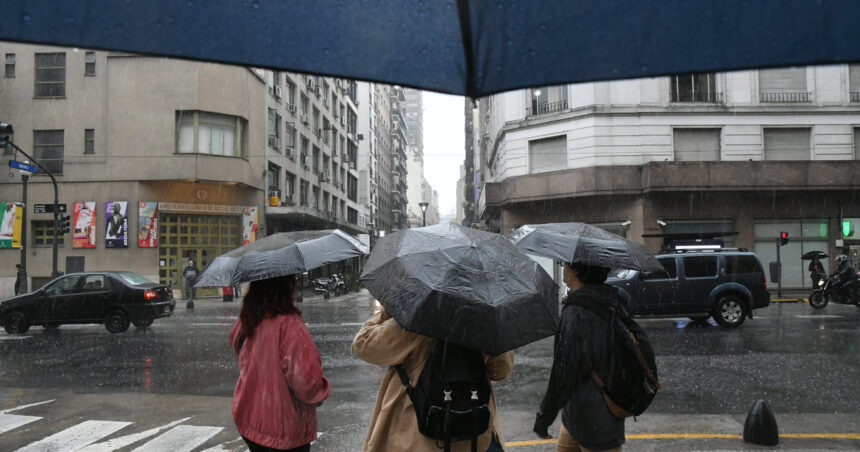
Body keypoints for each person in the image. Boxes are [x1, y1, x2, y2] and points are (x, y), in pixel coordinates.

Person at [352, 305, 513, 452]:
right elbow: (501, 370)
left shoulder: (419, 317)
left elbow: (364, 344)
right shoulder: (484, 317)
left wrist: (389, 310)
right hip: (473, 432)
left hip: (416, 436)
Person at [230, 274, 330, 452]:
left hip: (250, 419)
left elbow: (238, 345)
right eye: (293, 281)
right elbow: (306, 381)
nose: (297, 285)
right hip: (283, 428)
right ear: (284, 288)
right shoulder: (289, 324)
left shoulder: (249, 317)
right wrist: (322, 389)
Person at [534, 262, 625, 452]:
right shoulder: (612, 302)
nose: (564, 268)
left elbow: (563, 374)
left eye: (565, 264)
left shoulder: (576, 312)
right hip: (595, 409)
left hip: (593, 417)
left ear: (575, 271)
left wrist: (543, 419)